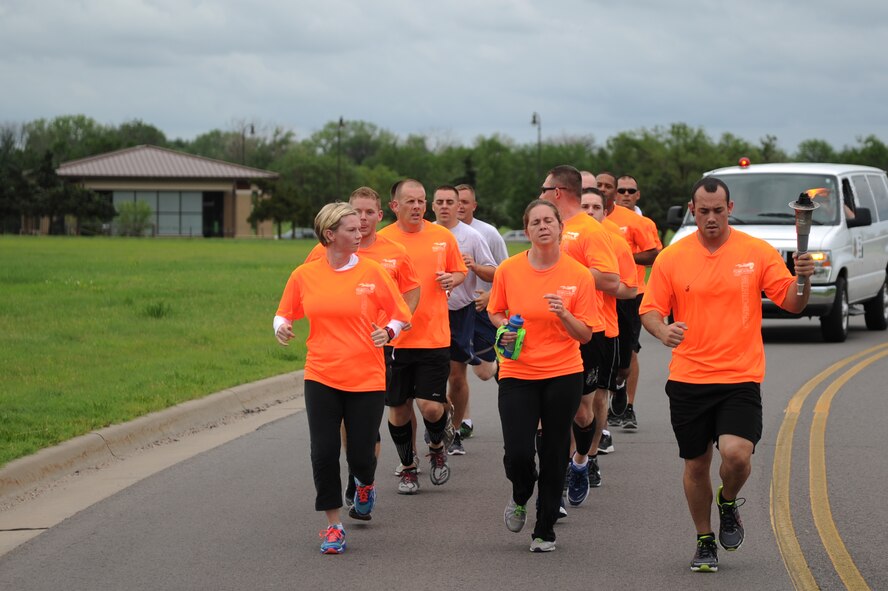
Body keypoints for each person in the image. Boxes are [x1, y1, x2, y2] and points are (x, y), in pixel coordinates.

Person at [640, 177, 814, 572]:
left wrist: (803, 277)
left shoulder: (755, 251)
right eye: (704, 211)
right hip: (688, 378)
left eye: (719, 210)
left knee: (736, 456)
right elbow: (650, 309)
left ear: (730, 208)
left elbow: (793, 303)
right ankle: (704, 539)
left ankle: (729, 500)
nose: (712, 218)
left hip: (739, 377)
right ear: (692, 210)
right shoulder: (672, 257)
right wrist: (662, 329)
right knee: (696, 465)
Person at [273, 202, 412, 554]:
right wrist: (282, 327)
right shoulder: (305, 274)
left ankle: (365, 484)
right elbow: (283, 312)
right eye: (351, 229)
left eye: (361, 227)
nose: (361, 232)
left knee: (361, 455)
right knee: (323, 452)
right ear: (330, 235)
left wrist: (389, 331)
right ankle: (334, 526)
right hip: (321, 373)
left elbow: (401, 314)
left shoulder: (373, 272)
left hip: (366, 376)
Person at [489, 199, 599, 552]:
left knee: (553, 451)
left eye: (548, 220)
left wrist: (564, 314)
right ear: (527, 229)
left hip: (563, 373)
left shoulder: (579, 275)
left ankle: (545, 527)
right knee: (518, 452)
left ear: (559, 227)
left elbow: (585, 334)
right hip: (517, 372)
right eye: (534, 222)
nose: (542, 227)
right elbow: (495, 312)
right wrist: (504, 328)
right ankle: (521, 492)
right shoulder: (508, 270)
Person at [305, 186, 421, 505]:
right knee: (344, 423)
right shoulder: (321, 251)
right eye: (358, 214)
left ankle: (362, 477)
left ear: (379, 215)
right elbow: (310, 286)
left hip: (378, 342)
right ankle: (358, 476)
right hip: (335, 351)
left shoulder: (394, 251)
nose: (364, 219)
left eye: (370, 213)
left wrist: (394, 326)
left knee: (368, 425)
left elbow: (410, 292)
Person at [378, 179, 468, 494]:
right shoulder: (381, 241)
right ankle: (408, 467)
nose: (418, 207)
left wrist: (452, 278)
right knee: (399, 409)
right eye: (410, 201)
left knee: (429, 407)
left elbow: (460, 271)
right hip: (392, 339)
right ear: (394, 206)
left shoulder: (442, 237)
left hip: (434, 335)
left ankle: (436, 445)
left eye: (421, 201)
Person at [541, 165, 619, 505]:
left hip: (589, 331)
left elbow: (610, 279)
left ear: (557, 192)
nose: (540, 195)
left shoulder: (588, 229)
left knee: (582, 413)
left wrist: (568, 272)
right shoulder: (549, 227)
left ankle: (581, 461)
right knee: (549, 412)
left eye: (543, 189)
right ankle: (553, 483)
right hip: (548, 333)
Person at [432, 185, 497, 455]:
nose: (446, 206)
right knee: (432, 377)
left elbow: (494, 272)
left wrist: (474, 266)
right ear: (432, 206)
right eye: (440, 202)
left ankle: (456, 429)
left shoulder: (472, 236)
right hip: (429, 314)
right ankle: (438, 419)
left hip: (461, 312)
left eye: (451, 201)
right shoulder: (425, 234)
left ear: (459, 205)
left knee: (457, 377)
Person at [580, 182, 638, 462]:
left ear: (605, 212)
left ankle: (591, 456)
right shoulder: (565, 238)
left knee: (598, 396)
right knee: (574, 401)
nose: (590, 212)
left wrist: (605, 283)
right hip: (567, 330)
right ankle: (569, 457)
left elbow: (630, 288)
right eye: (584, 207)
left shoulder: (615, 242)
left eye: (596, 208)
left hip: (604, 328)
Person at [602, 173, 662, 431]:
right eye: (599, 186)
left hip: (631, 293)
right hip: (600, 293)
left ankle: (627, 405)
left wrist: (625, 258)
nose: (625, 194)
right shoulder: (588, 220)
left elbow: (654, 255)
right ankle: (601, 407)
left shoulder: (636, 222)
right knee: (601, 349)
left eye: (629, 190)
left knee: (630, 353)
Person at [455, 183, 509, 439]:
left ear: (473, 206)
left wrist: (490, 295)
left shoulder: (487, 233)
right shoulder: (437, 233)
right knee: (454, 368)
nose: (460, 206)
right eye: (457, 201)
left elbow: (505, 271)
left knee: (484, 372)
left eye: (466, 202)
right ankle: (462, 421)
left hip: (481, 307)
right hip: (451, 310)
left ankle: (500, 367)